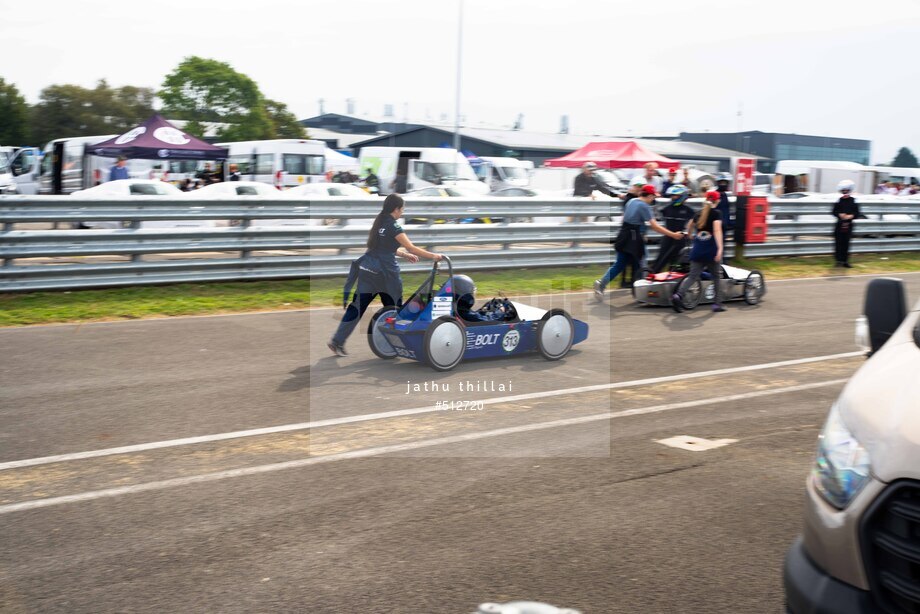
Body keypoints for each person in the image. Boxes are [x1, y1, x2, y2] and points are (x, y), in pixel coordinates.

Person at [328, 194, 443, 356]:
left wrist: (404, 255)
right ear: (396, 209)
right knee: (395, 310)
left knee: (357, 308)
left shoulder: (379, 222)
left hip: (367, 270)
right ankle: (395, 344)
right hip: (385, 275)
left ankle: (337, 341)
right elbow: (412, 247)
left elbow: (385, 247)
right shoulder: (394, 226)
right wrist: (434, 256)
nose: (402, 212)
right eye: (402, 209)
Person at [593, 185, 685, 299]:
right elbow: (655, 226)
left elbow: (629, 219)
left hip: (623, 234)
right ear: (650, 195)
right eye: (653, 197)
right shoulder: (644, 206)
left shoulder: (631, 201)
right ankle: (644, 292)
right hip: (633, 237)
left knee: (620, 264)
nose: (653, 199)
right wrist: (673, 235)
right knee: (642, 264)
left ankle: (601, 283)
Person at [670, 190, 726, 313]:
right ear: (717, 201)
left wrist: (689, 235)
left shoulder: (698, 213)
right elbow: (717, 231)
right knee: (716, 276)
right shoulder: (717, 213)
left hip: (697, 250)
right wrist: (720, 248)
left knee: (692, 276)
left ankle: (678, 295)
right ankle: (717, 304)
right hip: (711, 251)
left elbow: (689, 225)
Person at [651, 184, 694, 272]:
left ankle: (674, 277)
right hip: (668, 237)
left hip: (680, 239)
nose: (673, 197)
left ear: (683, 196)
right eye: (672, 195)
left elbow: (693, 223)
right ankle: (652, 275)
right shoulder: (666, 209)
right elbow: (655, 211)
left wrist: (689, 234)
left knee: (677, 262)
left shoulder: (688, 210)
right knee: (661, 258)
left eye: (676, 195)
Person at [832, 179, 860, 268]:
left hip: (849, 225)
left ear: (849, 190)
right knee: (838, 243)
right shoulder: (838, 200)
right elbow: (834, 211)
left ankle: (845, 261)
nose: (845, 192)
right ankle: (838, 261)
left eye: (846, 190)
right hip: (839, 225)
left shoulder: (854, 201)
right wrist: (840, 214)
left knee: (846, 244)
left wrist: (850, 216)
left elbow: (857, 213)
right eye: (843, 190)